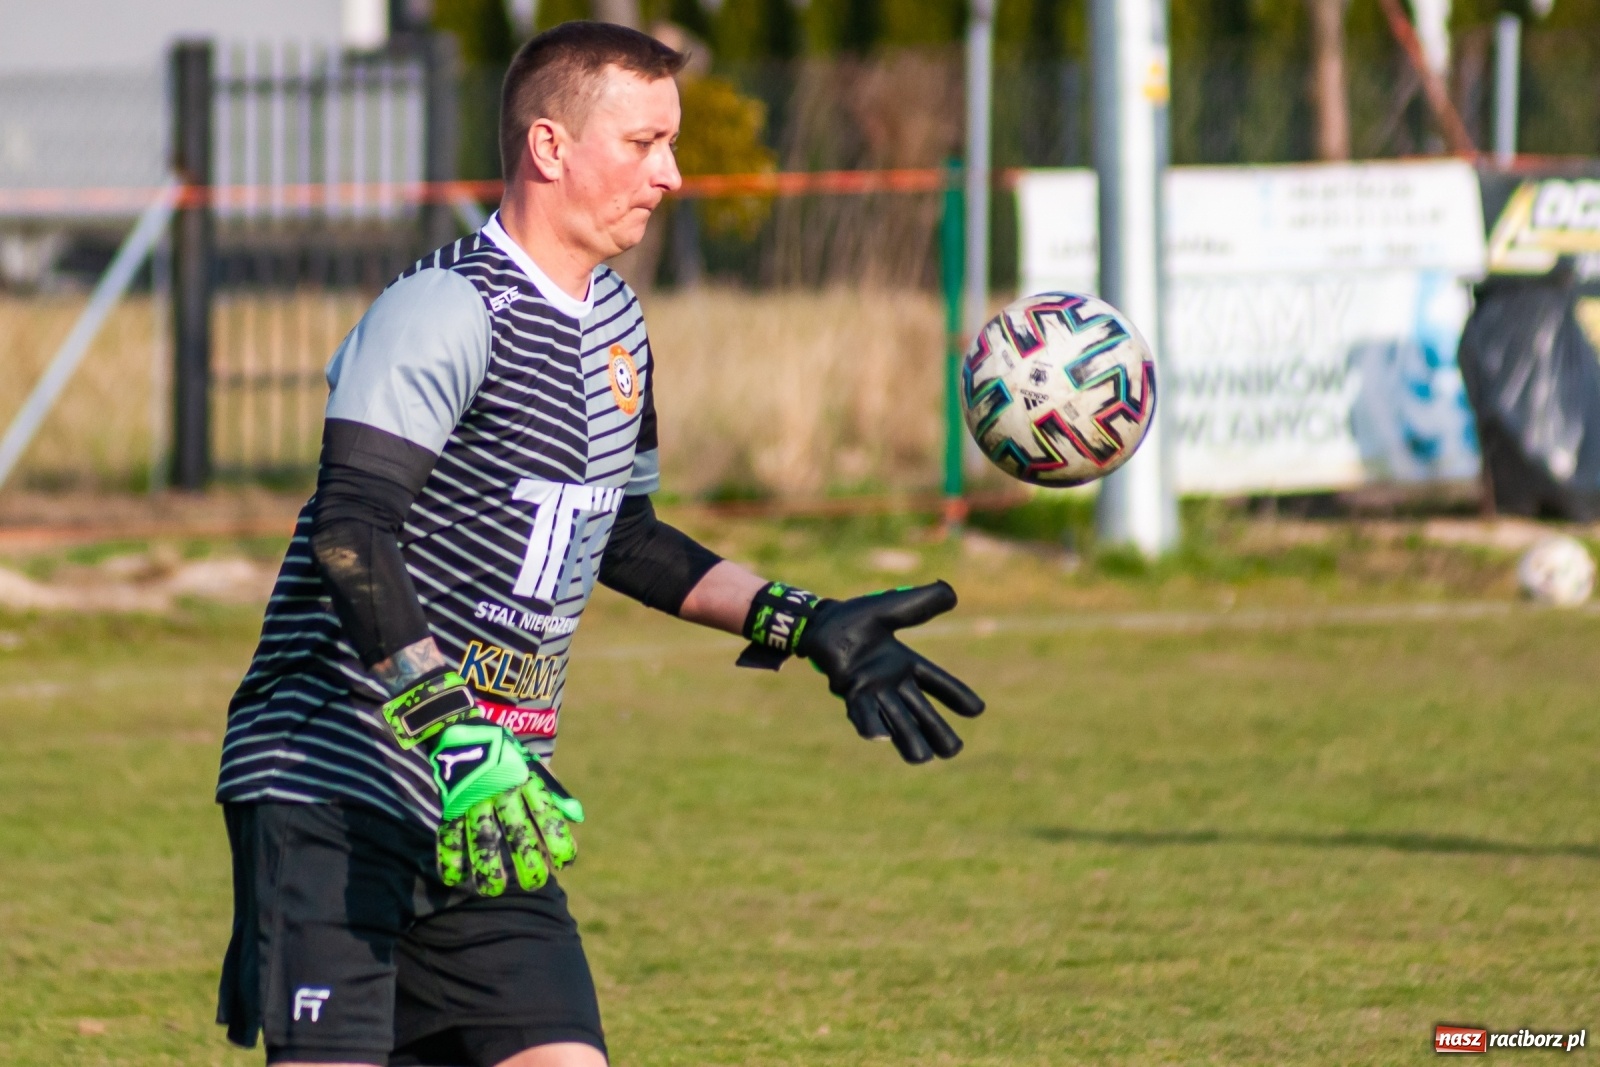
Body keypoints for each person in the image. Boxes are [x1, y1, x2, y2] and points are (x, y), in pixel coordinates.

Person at [214, 20, 985, 1067]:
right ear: (550, 146)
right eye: (644, 143)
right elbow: (352, 531)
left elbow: (624, 534)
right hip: (337, 782)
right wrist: (450, 727)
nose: (670, 174)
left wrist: (804, 622)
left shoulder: (617, 324)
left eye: (671, 144)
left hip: (497, 809)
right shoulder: (443, 309)